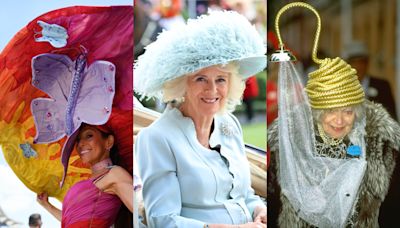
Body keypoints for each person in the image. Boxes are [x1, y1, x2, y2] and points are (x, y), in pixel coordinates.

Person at [134, 10, 267, 228]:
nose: (212, 89)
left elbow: (244, 196)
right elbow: (162, 220)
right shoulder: (156, 138)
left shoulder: (229, 124)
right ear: (181, 83)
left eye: (221, 79)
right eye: (201, 79)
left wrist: (260, 210)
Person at [268, 45, 400, 228]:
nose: (339, 120)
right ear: (317, 112)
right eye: (330, 111)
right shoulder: (292, 143)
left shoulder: (381, 145)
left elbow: (392, 209)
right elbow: (274, 205)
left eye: (347, 112)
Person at [36, 124, 133, 227]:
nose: (80, 144)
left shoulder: (115, 174)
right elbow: (71, 221)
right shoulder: (86, 182)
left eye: (89, 135)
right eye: (77, 140)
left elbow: (140, 209)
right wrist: (47, 205)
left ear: (109, 142)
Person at [344, 40, 397, 120]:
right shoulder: (341, 87)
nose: (358, 67)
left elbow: (392, 117)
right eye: (354, 63)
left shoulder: (382, 86)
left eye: (361, 62)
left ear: (367, 63)